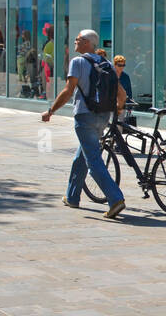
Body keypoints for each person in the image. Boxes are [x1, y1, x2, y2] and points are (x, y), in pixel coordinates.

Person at [41, 28, 127, 219]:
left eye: (78, 39)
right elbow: (122, 95)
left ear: (87, 43)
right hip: (102, 117)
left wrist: (51, 111)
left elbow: (68, 90)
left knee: (93, 161)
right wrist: (118, 109)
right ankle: (72, 196)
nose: (75, 42)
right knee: (82, 155)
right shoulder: (106, 63)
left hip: (84, 116)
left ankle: (116, 199)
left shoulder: (78, 62)